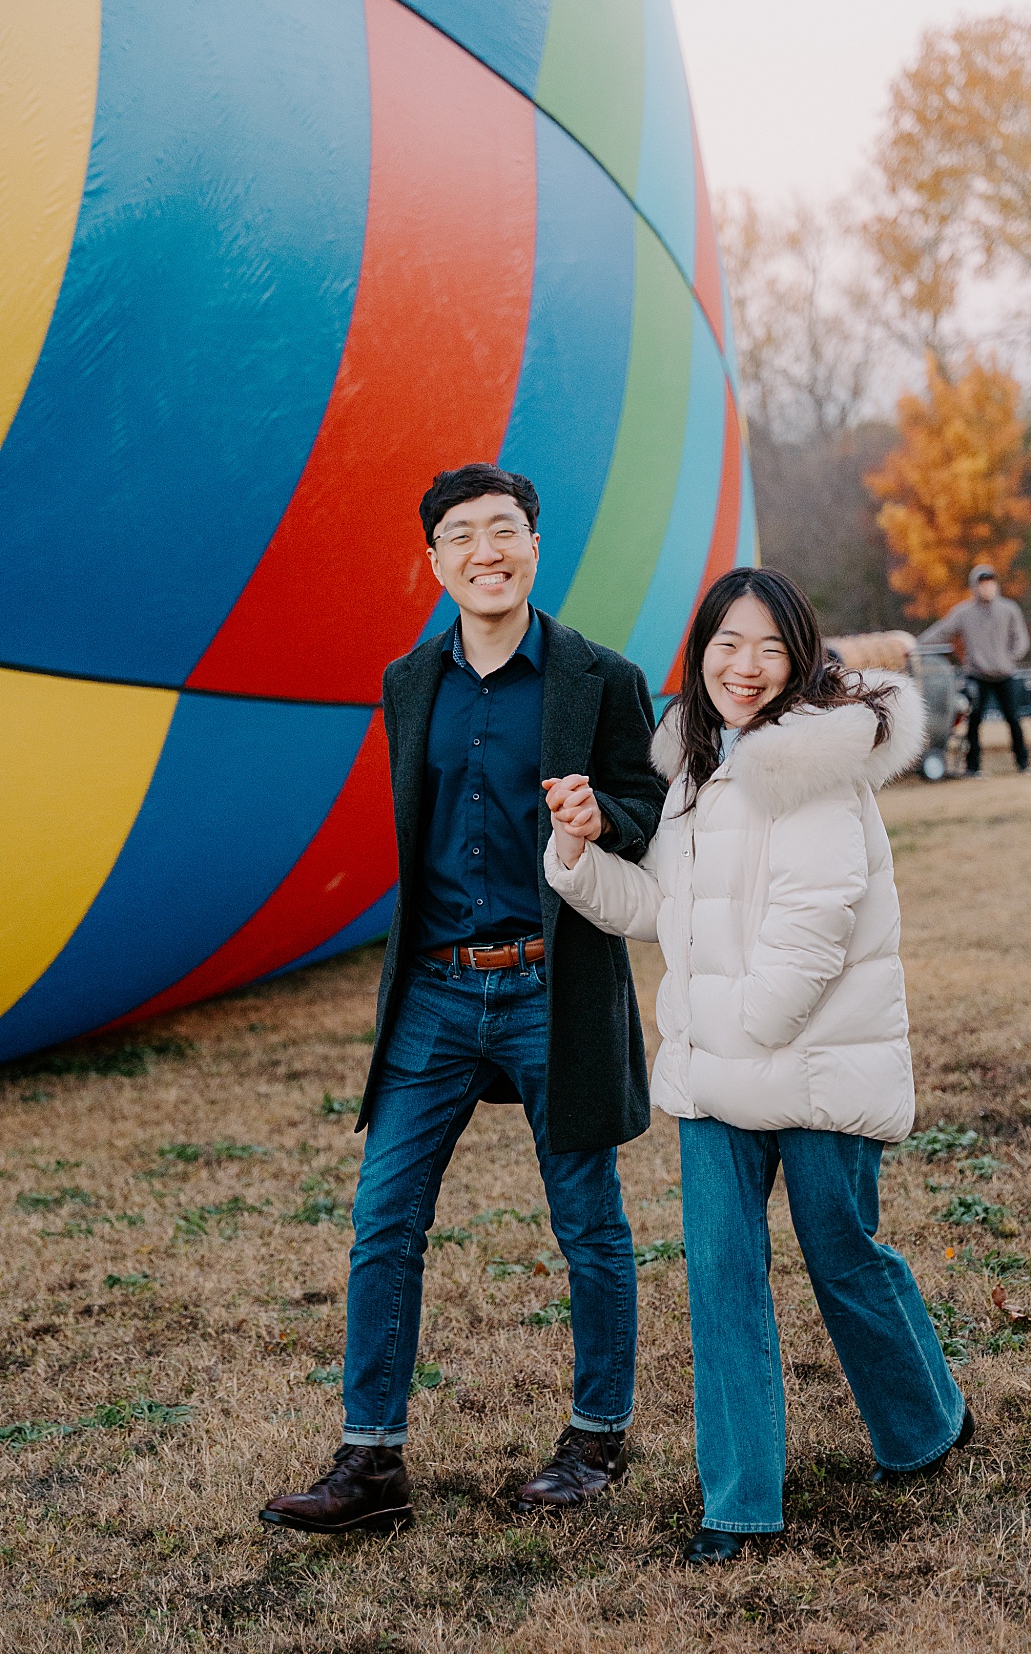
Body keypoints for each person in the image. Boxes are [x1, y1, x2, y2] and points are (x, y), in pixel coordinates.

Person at [261, 465, 667, 1535]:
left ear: (536, 546)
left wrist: (604, 814)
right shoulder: (409, 681)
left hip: (551, 980)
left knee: (589, 1222)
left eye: (505, 531)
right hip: (436, 992)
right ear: (435, 561)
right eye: (462, 536)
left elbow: (650, 801)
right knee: (382, 1218)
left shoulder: (601, 677)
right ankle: (371, 1460)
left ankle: (595, 1438)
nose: (486, 551)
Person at [543, 567, 971, 1565]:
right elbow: (668, 912)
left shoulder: (812, 764)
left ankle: (925, 1424)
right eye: (728, 644)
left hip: (814, 1067)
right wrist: (575, 857)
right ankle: (736, 1505)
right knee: (722, 1278)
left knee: (841, 1253)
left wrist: (731, 1027)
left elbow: (814, 930)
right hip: (717, 1078)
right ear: (701, 654)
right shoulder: (694, 768)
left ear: (801, 659)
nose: (746, 665)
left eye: (770, 647)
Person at [920, 562, 1031, 775]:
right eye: (982, 584)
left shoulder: (1009, 609)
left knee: (1013, 719)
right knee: (974, 722)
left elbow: (1021, 639)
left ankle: (1023, 763)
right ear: (975, 587)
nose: (986, 588)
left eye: (990, 583)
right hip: (978, 674)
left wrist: (1011, 658)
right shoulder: (965, 613)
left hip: (1004, 674)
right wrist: (916, 646)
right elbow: (942, 631)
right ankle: (973, 768)